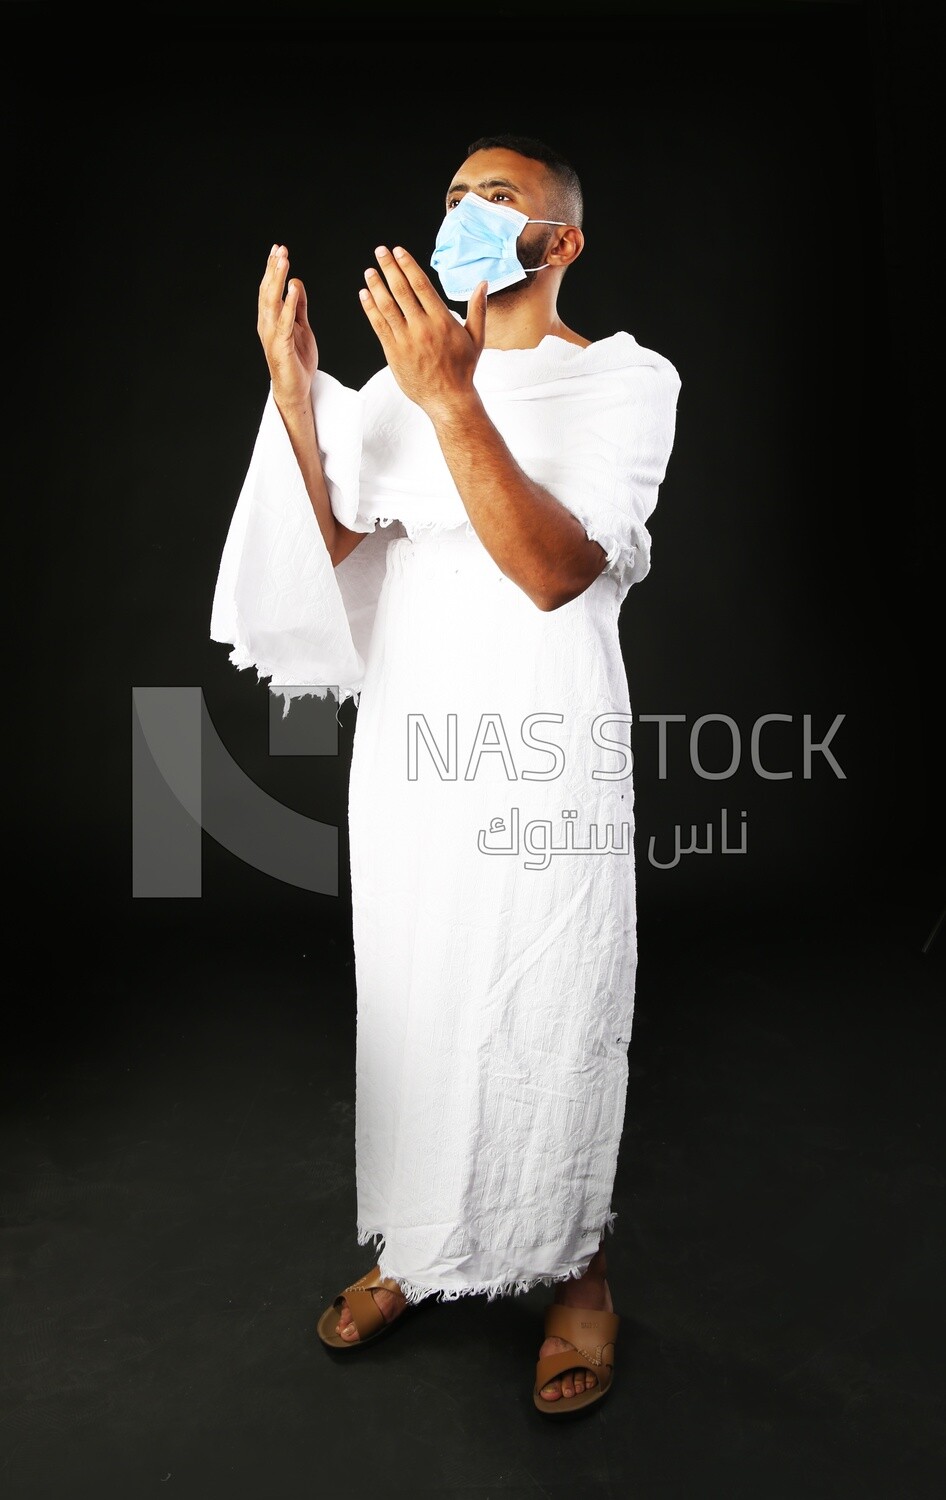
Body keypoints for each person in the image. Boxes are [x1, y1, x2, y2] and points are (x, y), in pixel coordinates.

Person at [211, 132, 681, 1416]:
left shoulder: (623, 381)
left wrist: (451, 398)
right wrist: (297, 392)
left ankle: (576, 1275)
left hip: (539, 748)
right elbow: (330, 544)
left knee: (547, 1001)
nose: (463, 212)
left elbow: (555, 572)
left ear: (559, 240)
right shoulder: (393, 388)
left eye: (497, 196)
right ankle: (424, 1248)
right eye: (453, 196)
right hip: (414, 751)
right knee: (418, 995)